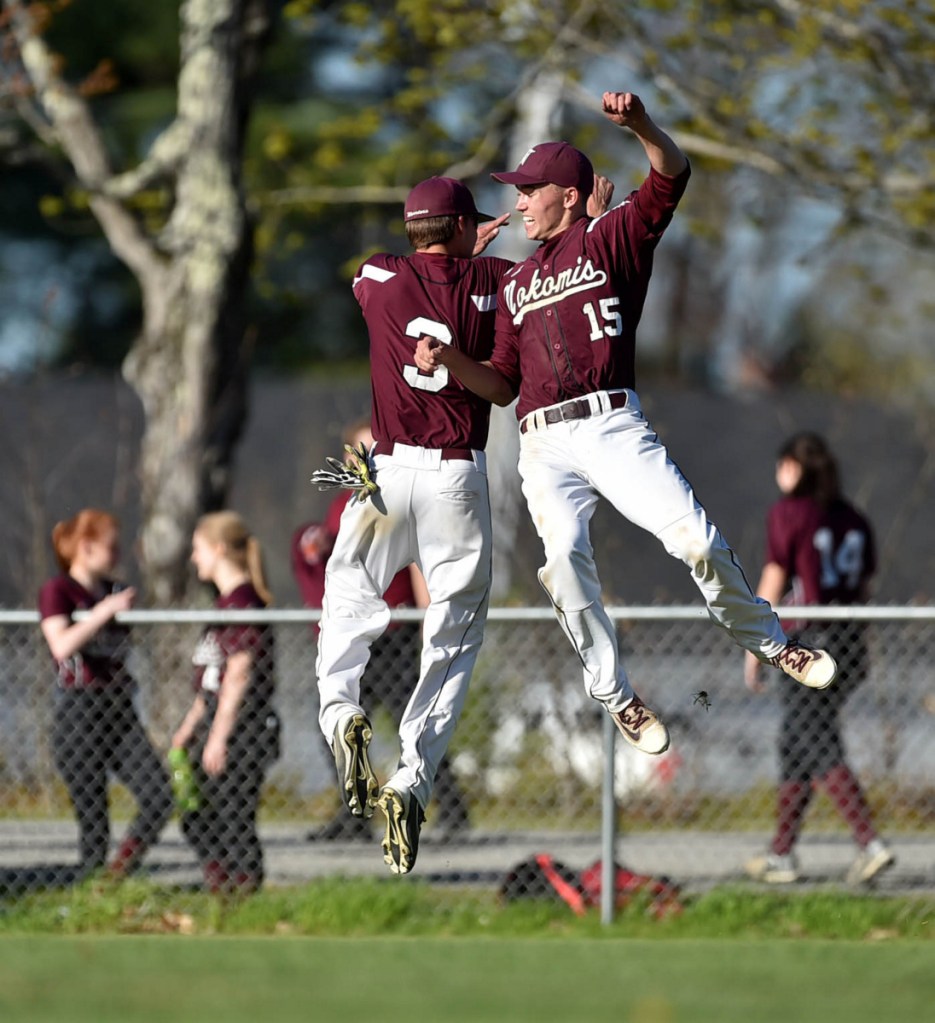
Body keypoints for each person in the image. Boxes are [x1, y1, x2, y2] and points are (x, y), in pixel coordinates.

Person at [415, 89, 838, 758]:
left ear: (564, 192)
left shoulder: (609, 238)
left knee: (695, 541)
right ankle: (616, 695)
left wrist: (638, 124)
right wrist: (451, 359)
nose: (519, 201)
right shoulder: (515, 285)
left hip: (611, 425)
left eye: (528, 190)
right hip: (542, 441)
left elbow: (670, 175)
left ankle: (770, 642)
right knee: (563, 563)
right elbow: (498, 387)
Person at [294, 416, 471, 842]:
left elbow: (417, 565)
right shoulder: (346, 504)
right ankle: (352, 814)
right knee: (339, 726)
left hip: (392, 636)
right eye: (360, 451)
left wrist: (432, 623)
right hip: (356, 634)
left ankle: (452, 807)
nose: (367, 460)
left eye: (375, 450)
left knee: (414, 724)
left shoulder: (399, 499)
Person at [744, 432, 895, 885]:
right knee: (796, 742)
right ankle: (782, 854)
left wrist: (756, 642)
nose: (778, 475)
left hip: (806, 644)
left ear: (795, 467)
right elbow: (863, 588)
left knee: (814, 738)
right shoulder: (854, 518)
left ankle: (871, 844)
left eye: (782, 465)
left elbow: (775, 575)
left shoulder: (790, 513)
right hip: (848, 641)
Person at [37, 509, 173, 878]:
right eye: (110, 546)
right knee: (93, 819)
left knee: (159, 795)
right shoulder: (59, 591)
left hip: (119, 710)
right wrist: (103, 612)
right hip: (79, 711)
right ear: (86, 547)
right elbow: (61, 645)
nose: (117, 554)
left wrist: (119, 604)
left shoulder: (114, 591)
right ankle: (93, 887)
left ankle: (118, 873)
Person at [172, 512, 281, 894]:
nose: (194, 558)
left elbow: (239, 672)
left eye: (198, 549)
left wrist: (219, 735)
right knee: (197, 815)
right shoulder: (224, 605)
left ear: (218, 550)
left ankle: (244, 892)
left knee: (234, 817)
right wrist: (188, 729)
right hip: (219, 723)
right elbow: (212, 681)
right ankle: (222, 885)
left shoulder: (243, 602)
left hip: (244, 728)